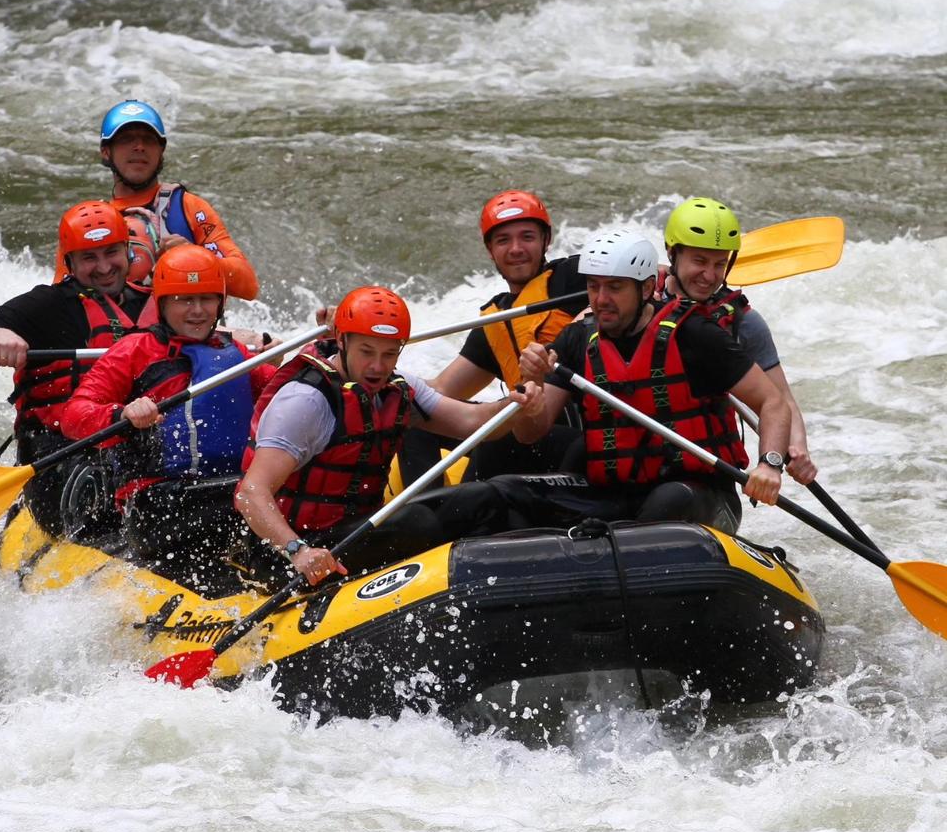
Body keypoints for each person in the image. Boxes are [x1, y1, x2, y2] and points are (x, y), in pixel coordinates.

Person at [434, 230, 791, 541]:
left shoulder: (696, 335)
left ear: (647, 288)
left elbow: (772, 402)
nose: (601, 299)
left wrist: (769, 465)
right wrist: (533, 387)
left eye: (615, 288)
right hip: (613, 494)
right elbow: (531, 433)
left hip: (696, 493)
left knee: (668, 504)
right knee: (499, 493)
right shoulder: (576, 339)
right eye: (594, 287)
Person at [233, 286, 545, 589]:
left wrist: (517, 406)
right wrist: (298, 551)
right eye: (367, 352)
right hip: (289, 551)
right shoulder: (307, 401)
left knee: (485, 498)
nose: (378, 367)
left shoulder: (398, 388)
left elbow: (472, 421)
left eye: (389, 354)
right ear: (341, 341)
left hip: (354, 532)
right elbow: (250, 492)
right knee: (418, 520)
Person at [58, 244, 275, 587]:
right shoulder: (134, 350)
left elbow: (282, 392)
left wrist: (323, 355)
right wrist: (121, 413)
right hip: (164, 504)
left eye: (207, 299)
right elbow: (74, 414)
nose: (198, 311)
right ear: (162, 303)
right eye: (184, 300)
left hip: (237, 492)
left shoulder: (234, 352)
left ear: (221, 303)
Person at [0, 201, 157, 537]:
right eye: (89, 257)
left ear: (127, 250)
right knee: (101, 480)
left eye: (111, 252)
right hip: (58, 458)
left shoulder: (153, 303)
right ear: (69, 262)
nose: (103, 267)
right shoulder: (47, 305)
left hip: (134, 448)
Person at [399, 189, 586, 483]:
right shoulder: (497, 320)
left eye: (527, 236)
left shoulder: (573, 277)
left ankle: (462, 509)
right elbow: (441, 390)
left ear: (546, 241)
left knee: (499, 438)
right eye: (503, 240)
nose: (515, 249)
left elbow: (642, 279)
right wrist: (377, 373)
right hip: (520, 432)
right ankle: (426, 516)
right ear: (490, 250)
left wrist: (588, 316)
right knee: (418, 421)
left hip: (575, 438)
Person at [661, 196, 816, 484]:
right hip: (638, 464)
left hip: (701, 474)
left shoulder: (743, 324)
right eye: (699, 261)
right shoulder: (639, 298)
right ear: (672, 253)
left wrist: (797, 448)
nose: (709, 275)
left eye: (720, 264)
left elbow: (781, 400)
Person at [54, 100, 259, 301]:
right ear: (106, 151)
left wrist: (195, 257)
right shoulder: (83, 223)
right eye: (127, 139)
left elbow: (248, 285)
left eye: (149, 139)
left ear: (161, 152)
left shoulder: (189, 207)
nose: (139, 147)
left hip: (186, 328)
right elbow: (59, 300)